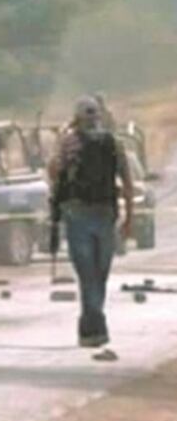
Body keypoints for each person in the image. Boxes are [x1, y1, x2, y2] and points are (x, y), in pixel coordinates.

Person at [48, 96, 135, 349]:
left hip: (77, 214)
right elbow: (127, 183)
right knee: (100, 273)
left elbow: (54, 172)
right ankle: (94, 325)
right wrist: (130, 216)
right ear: (98, 116)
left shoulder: (68, 141)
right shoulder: (114, 142)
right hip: (106, 214)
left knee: (87, 274)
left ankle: (92, 325)